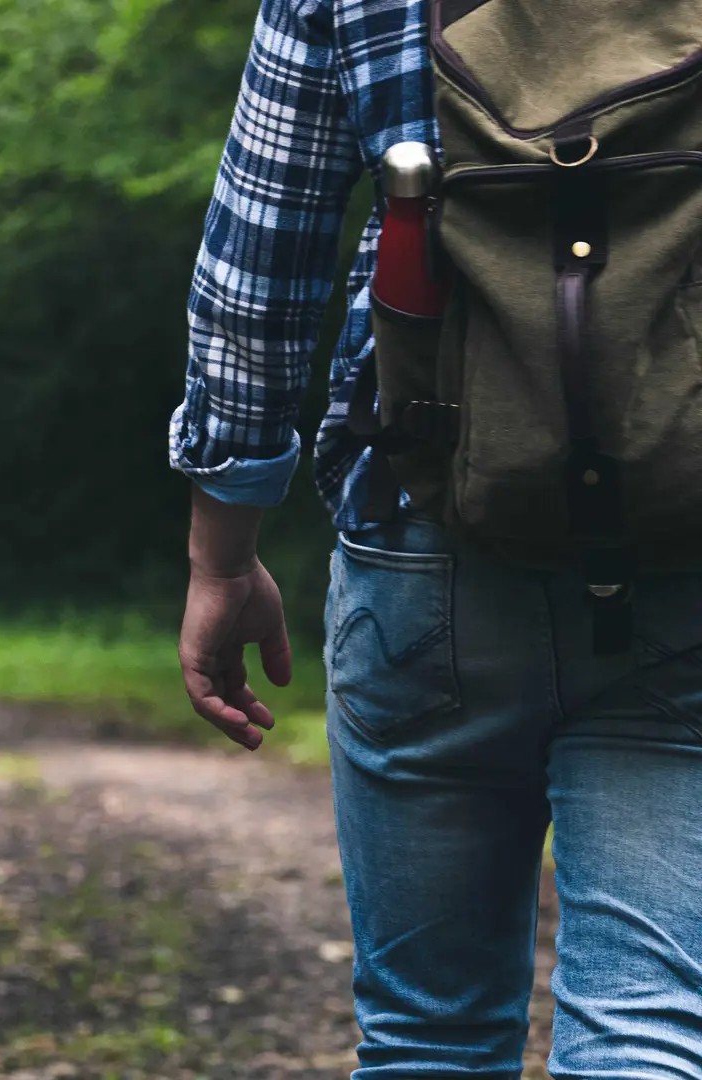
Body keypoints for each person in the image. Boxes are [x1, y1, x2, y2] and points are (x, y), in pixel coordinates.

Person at [170, 0, 702, 1076]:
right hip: (683, 553)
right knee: (650, 1018)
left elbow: (258, 277)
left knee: (428, 1036)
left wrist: (222, 553)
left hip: (421, 535)